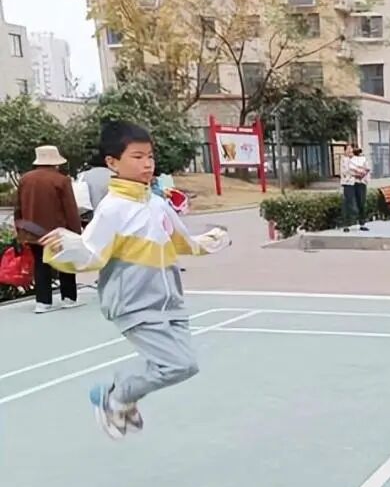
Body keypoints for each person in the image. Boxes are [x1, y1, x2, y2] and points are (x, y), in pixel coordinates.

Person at [39, 121, 230, 439]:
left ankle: (123, 397)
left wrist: (211, 241)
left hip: (169, 301)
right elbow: (91, 255)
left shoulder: (157, 203)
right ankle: (116, 396)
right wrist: (66, 246)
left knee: (185, 364)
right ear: (112, 162)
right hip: (134, 303)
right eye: (137, 157)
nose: (147, 164)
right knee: (175, 365)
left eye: (150, 156)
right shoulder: (112, 209)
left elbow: (181, 241)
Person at [14, 145, 83, 314]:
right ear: (56, 162)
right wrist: (76, 232)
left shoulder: (25, 179)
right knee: (65, 261)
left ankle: (43, 302)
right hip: (58, 232)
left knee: (40, 264)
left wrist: (20, 229)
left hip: (32, 231)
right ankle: (68, 298)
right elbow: (70, 209)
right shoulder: (61, 180)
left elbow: (18, 207)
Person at [342, 147, 370, 233]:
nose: (350, 151)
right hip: (349, 183)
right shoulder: (344, 160)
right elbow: (346, 171)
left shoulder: (361, 159)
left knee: (361, 202)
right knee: (349, 203)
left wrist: (363, 173)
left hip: (360, 182)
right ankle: (347, 224)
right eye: (348, 149)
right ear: (345, 151)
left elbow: (367, 168)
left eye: (352, 149)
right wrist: (357, 173)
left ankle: (362, 223)